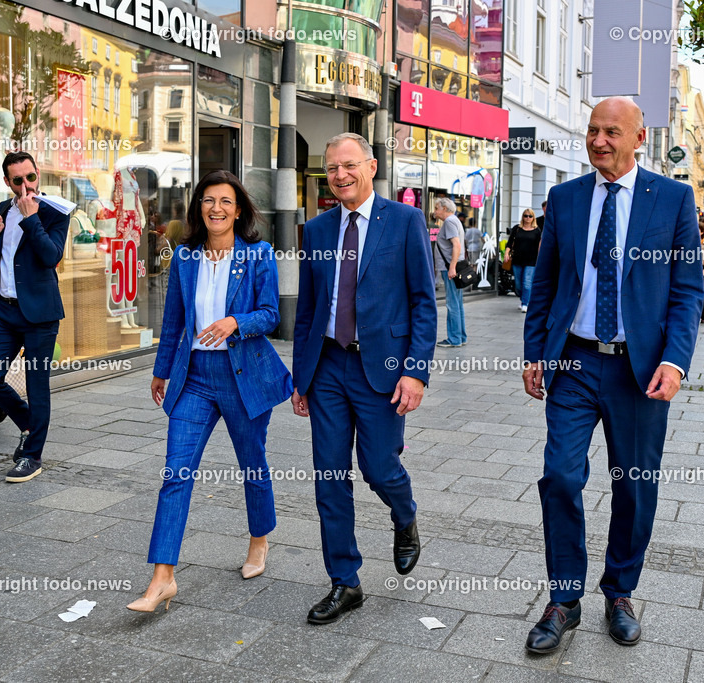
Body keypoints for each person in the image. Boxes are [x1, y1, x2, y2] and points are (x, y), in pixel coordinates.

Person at [521, 97, 703, 652]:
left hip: (639, 370)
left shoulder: (673, 199)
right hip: (574, 362)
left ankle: (620, 591)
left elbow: (687, 291)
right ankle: (564, 599)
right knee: (560, 477)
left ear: (639, 137)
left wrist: (674, 361)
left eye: (612, 132)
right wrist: (536, 353)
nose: (599, 141)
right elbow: (545, 286)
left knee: (634, 485)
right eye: (593, 130)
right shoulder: (565, 199)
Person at [129, 171, 292, 613]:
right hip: (195, 377)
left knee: (252, 465)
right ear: (199, 208)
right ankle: (162, 576)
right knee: (175, 474)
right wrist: (162, 371)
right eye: (208, 200)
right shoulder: (185, 257)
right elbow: (174, 322)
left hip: (242, 376)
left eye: (225, 201)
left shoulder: (257, 254)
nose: (216, 208)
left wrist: (236, 323)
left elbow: (270, 314)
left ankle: (259, 540)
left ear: (238, 210)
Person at [291, 133, 437, 625]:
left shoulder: (405, 221)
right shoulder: (315, 229)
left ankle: (405, 515)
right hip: (329, 366)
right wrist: (302, 376)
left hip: (384, 367)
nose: (340, 176)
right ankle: (344, 581)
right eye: (332, 168)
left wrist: (416, 371)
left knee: (378, 467)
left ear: (371, 166)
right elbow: (308, 310)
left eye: (349, 166)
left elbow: (423, 301)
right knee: (330, 477)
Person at [0, 152, 68, 483]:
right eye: (18, 180)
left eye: (31, 177)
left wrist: (31, 219)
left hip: (40, 315)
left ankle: (32, 456)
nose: (27, 185)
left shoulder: (55, 211)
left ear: (37, 173)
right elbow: (3, 255)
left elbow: (50, 256)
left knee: (36, 384)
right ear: (7, 182)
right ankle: (28, 423)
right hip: (4, 310)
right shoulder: (3, 208)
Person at [432, 197, 466, 347]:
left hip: (450, 269)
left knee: (452, 304)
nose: (435, 212)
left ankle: (454, 338)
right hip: (453, 267)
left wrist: (452, 267)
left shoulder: (449, 222)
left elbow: (456, 245)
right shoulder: (455, 220)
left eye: (436, 208)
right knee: (457, 303)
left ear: (444, 209)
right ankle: (461, 336)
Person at [505, 208, 543, 312]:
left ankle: (525, 303)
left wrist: (540, 258)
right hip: (517, 259)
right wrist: (506, 253)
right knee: (518, 284)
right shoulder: (517, 228)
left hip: (531, 260)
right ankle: (523, 299)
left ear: (533, 218)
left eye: (530, 216)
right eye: (526, 216)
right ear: (523, 217)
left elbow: (540, 245)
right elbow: (509, 243)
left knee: (527, 282)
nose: (527, 218)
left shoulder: (537, 230)